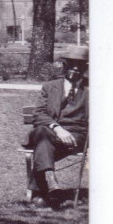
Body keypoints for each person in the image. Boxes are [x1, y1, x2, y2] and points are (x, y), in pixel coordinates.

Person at [23, 45, 88, 207]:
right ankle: (51, 180)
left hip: (76, 135)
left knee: (42, 143)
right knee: (42, 132)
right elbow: (38, 114)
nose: (74, 68)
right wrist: (58, 129)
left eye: (79, 64)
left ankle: (42, 192)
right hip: (49, 131)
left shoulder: (92, 89)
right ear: (64, 65)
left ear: (85, 67)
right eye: (71, 63)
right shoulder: (50, 86)